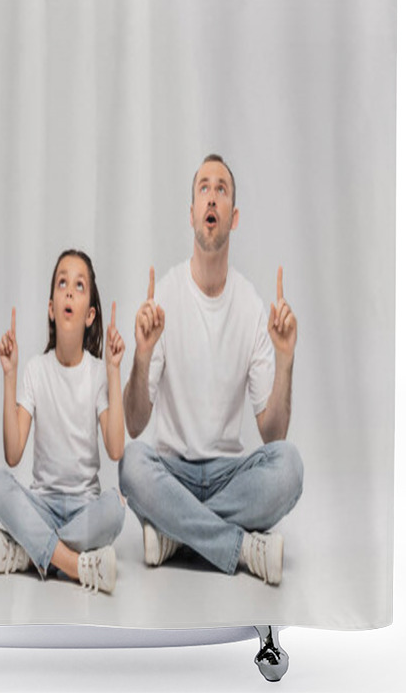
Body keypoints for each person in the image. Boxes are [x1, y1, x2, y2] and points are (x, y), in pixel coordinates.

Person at [119, 154, 304, 585]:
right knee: (131, 464)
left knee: (290, 466)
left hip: (228, 474)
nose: (212, 197)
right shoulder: (165, 294)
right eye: (204, 187)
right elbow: (133, 423)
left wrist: (285, 359)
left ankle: (176, 536)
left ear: (233, 217)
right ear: (192, 214)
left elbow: (273, 435)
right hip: (172, 472)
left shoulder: (251, 306)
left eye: (222, 189)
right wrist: (142, 354)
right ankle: (239, 547)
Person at [0, 250, 126, 594]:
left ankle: (28, 552)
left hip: (85, 508)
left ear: (90, 314)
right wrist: (10, 375)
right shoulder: (35, 369)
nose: (68, 291)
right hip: (42, 504)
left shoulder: (96, 374)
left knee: (116, 509)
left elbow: (116, 448)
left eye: (79, 286)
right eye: (62, 282)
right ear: (51, 307)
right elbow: (13, 453)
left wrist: (114, 370)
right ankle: (76, 565)